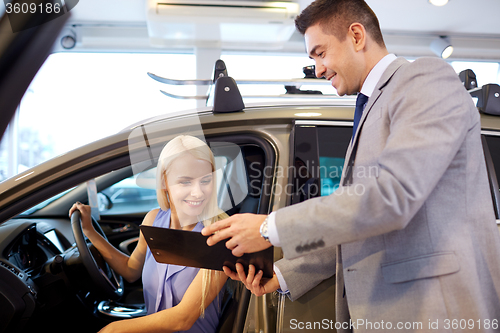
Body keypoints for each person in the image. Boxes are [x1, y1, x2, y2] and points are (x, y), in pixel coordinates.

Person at [201, 0, 500, 331]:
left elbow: (390, 198)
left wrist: (267, 229)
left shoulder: (424, 79)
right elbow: (363, 224)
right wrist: (285, 273)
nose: (317, 69)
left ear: (356, 36)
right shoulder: (370, 107)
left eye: (320, 53)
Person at [70, 135, 228, 333]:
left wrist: (113, 329)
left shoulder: (220, 235)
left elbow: (183, 319)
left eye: (205, 180)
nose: (198, 193)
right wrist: (90, 232)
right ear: (164, 182)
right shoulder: (154, 220)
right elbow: (130, 270)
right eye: (185, 182)